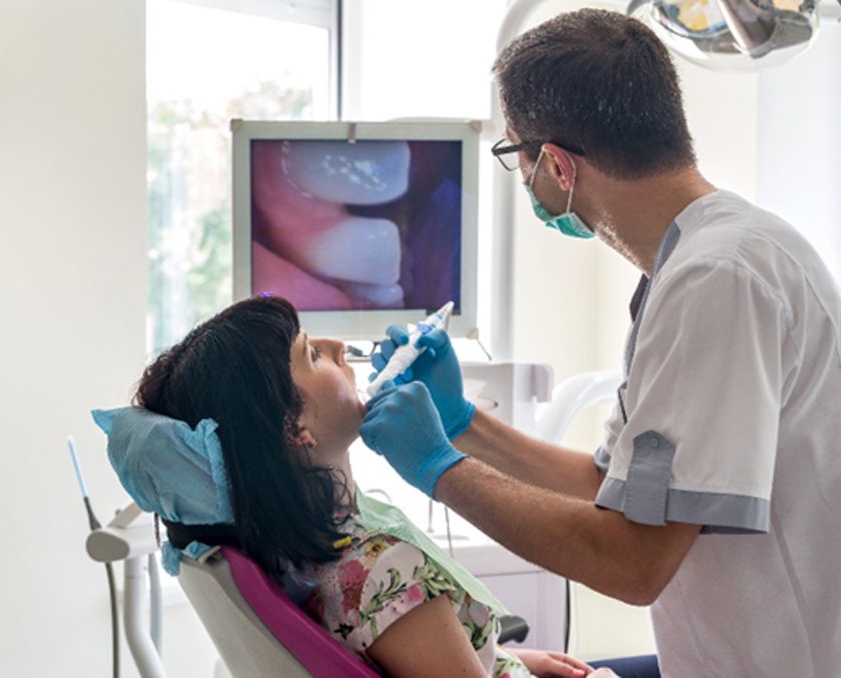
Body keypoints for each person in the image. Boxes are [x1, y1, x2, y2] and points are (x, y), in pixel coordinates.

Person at [360, 9, 841, 678]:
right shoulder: (697, 264)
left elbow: (633, 562)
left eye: (516, 156)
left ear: (556, 164)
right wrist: (463, 424)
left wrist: (441, 470)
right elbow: (606, 486)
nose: (524, 178)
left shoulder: (719, 279)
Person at [95, 296, 614, 678]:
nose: (338, 346)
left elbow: (400, 655)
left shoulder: (301, 560)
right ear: (292, 430)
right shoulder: (380, 569)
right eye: (311, 355)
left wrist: (503, 659)